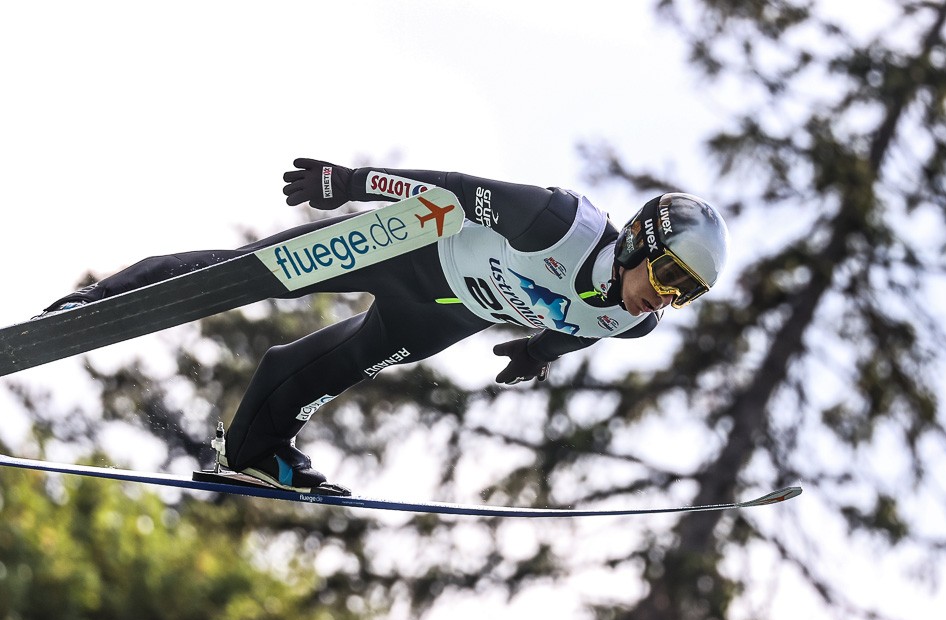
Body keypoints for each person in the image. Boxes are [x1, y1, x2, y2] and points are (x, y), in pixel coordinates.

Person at [39, 159, 730, 492]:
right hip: (413, 247)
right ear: (639, 240)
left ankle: (254, 449)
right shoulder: (556, 223)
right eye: (669, 276)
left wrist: (539, 352)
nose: (663, 299)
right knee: (255, 273)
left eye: (685, 295)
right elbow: (455, 190)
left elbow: (583, 326)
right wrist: (351, 182)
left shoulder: (631, 322)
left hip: (447, 312)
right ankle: (101, 300)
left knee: (339, 364)